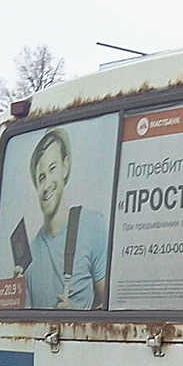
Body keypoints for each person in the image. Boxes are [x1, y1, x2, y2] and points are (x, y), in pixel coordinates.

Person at [19, 129, 108, 309]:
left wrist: (76, 321)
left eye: (52, 169)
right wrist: (15, 291)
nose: (47, 185)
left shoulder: (91, 225)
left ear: (65, 168)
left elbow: (110, 307)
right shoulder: (29, 255)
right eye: (41, 178)